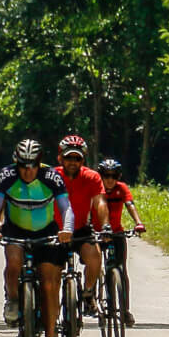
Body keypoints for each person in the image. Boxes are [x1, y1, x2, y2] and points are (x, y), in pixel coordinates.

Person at [0, 139, 73, 337]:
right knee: (14, 262)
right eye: (22, 165)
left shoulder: (51, 176)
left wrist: (67, 229)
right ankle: (13, 299)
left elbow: (66, 208)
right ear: (17, 163)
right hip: (15, 229)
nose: (27, 170)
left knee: (50, 284)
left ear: (39, 163)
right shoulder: (7, 176)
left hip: (46, 232)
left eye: (32, 165)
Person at [54, 135, 108, 316]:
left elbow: (100, 202)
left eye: (77, 158)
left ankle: (88, 292)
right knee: (48, 271)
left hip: (80, 229)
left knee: (95, 256)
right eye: (68, 157)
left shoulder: (92, 177)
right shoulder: (51, 176)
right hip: (54, 230)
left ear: (83, 160)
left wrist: (105, 226)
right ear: (60, 158)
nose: (72, 162)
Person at [95, 156, 146, 324]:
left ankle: (124, 310)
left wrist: (138, 223)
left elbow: (130, 204)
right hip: (97, 234)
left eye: (114, 176)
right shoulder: (96, 189)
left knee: (121, 271)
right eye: (106, 176)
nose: (110, 180)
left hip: (116, 234)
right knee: (93, 265)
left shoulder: (121, 188)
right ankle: (94, 300)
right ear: (101, 176)